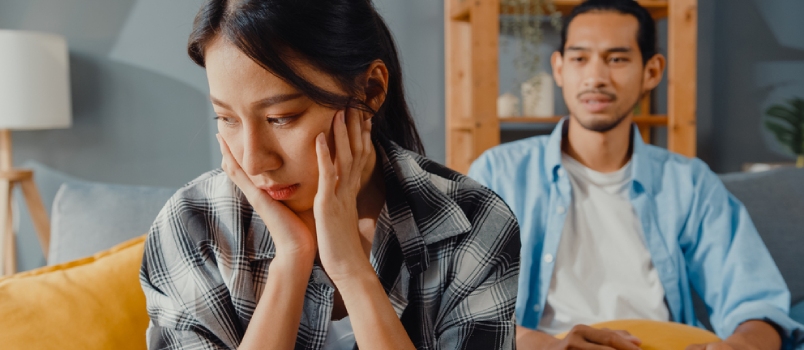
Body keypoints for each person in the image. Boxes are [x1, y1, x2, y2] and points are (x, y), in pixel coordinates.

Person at [139, 0, 521, 349]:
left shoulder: (472, 222)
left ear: (371, 90)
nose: (254, 161)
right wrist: (291, 260)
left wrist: (352, 271)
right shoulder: (193, 226)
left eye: (281, 118)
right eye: (227, 118)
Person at [468, 0, 804, 349]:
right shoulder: (498, 173)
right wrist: (549, 346)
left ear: (652, 71)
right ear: (559, 68)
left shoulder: (689, 183)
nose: (596, 77)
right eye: (580, 58)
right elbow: (466, 311)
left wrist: (739, 347)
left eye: (617, 59)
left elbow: (758, 306)